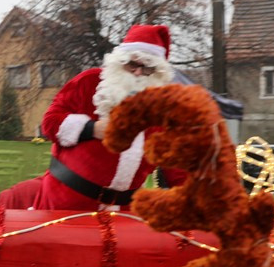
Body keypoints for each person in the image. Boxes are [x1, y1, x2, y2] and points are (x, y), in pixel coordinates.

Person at [33, 24, 183, 211]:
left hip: (126, 213)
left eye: (147, 68)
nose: (137, 72)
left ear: (157, 73)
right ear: (120, 62)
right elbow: (50, 122)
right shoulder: (89, 82)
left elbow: (177, 166)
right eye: (132, 64)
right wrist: (91, 129)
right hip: (66, 202)